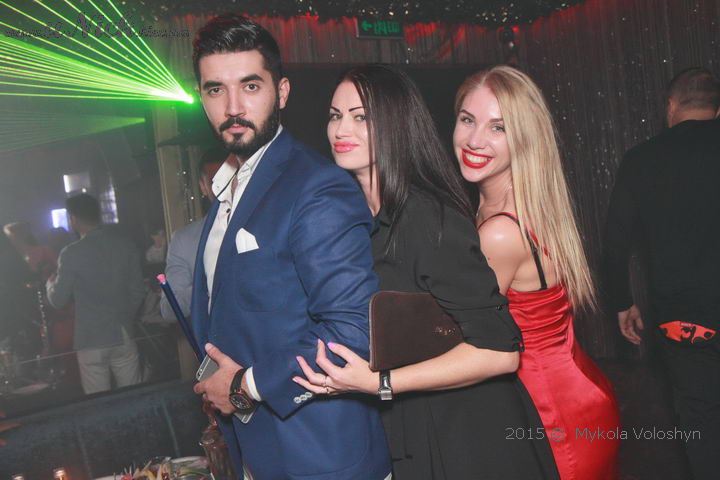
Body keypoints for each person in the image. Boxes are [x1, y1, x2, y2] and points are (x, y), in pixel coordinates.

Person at [294, 64, 559, 479]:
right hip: (410, 426)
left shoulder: (426, 217)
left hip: (470, 437)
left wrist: (379, 382)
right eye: (335, 115)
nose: (341, 130)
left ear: (396, 124)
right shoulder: (356, 218)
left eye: (361, 117)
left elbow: (500, 352)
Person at [189, 15, 391, 480]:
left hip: (319, 455)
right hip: (257, 448)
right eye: (216, 89)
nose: (233, 107)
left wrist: (245, 386)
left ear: (281, 92)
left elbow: (353, 331)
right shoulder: (229, 187)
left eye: (251, 86)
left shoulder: (317, 187)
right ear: (202, 96)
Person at [454, 65, 620, 479]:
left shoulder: (499, 233)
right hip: (575, 391)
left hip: (549, 417)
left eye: (499, 127)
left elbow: (461, 338)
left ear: (525, 138)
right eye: (467, 120)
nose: (475, 139)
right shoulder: (522, 208)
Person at [603, 67, 720, 480]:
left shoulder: (642, 160)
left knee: (701, 421)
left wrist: (622, 303)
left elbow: (614, 243)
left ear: (670, 106)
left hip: (685, 321)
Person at [46, 193, 145, 394]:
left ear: (73, 219)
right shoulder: (125, 245)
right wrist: (126, 316)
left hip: (91, 338)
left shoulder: (71, 253)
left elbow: (58, 300)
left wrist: (49, 284)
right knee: (133, 396)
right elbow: (138, 291)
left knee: (100, 401)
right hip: (123, 332)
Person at [159, 145, 224, 320]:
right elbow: (169, 309)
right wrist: (208, 283)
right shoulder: (185, 239)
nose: (223, 186)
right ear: (203, 187)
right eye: (214, 181)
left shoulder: (267, 226)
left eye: (230, 177)